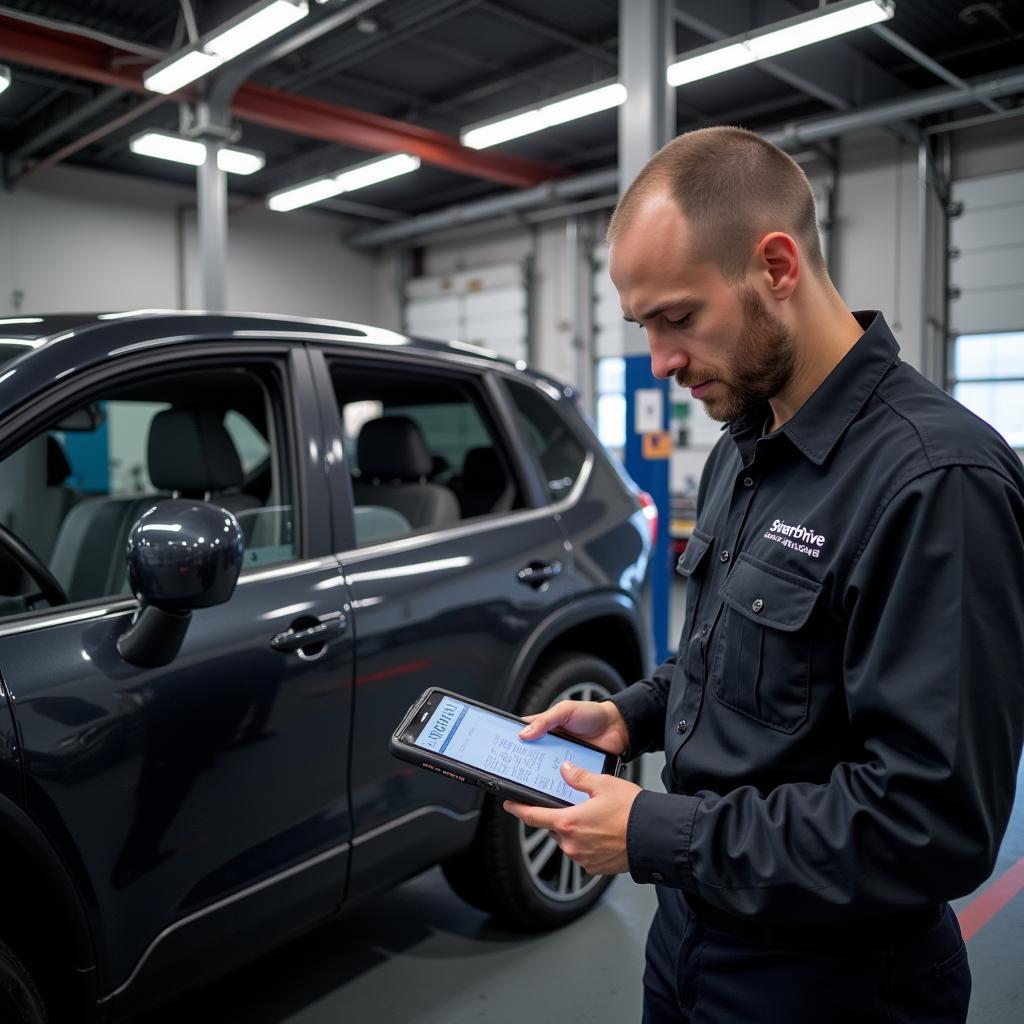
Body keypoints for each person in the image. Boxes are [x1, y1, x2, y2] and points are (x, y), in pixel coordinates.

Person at [502, 125, 1024, 1024]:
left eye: (677, 317)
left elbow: (930, 827)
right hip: (693, 945)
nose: (661, 362)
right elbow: (734, 664)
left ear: (776, 266)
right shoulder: (744, 448)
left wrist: (656, 831)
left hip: (836, 986)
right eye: (644, 327)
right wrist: (628, 716)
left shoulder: (937, 483)